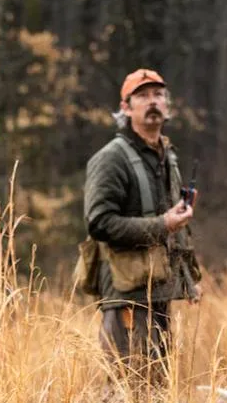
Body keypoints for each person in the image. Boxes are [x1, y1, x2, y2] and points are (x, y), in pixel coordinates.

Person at [83, 68, 201, 382]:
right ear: (125, 108)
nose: (152, 102)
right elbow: (100, 224)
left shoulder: (167, 156)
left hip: (159, 293)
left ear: (168, 105)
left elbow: (174, 226)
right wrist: (162, 224)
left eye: (158, 95)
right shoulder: (111, 159)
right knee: (128, 395)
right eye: (142, 96)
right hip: (126, 296)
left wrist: (188, 278)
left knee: (157, 395)